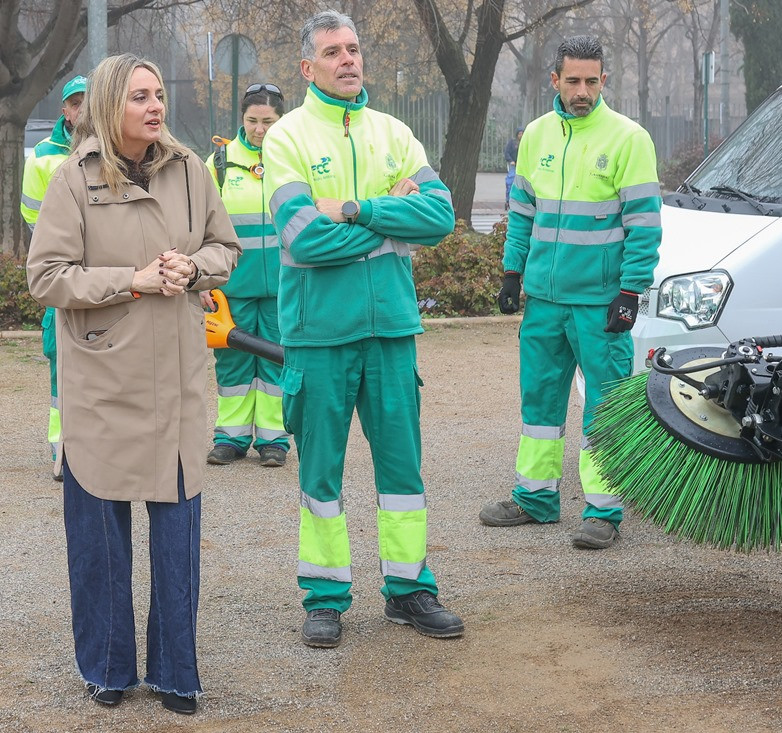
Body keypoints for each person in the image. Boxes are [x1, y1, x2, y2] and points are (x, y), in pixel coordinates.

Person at [25, 54, 240, 715]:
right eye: (139, 96)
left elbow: (224, 248)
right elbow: (47, 277)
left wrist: (193, 267)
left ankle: (177, 672)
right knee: (99, 538)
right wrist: (132, 278)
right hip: (102, 385)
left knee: (177, 533)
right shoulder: (72, 179)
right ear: (111, 105)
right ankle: (108, 668)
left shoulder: (190, 170)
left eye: (158, 94)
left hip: (175, 382)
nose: (155, 106)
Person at [262, 9, 464, 648]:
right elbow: (304, 237)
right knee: (320, 472)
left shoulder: (394, 131)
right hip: (318, 334)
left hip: (391, 331)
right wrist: (392, 218)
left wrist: (354, 208)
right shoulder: (286, 137)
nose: (348, 60)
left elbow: (440, 217)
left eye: (353, 49)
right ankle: (324, 597)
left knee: (402, 469)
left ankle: (409, 590)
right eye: (332, 52)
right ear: (307, 67)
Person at [478, 35, 662, 549]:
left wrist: (631, 290)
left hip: (601, 302)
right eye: (573, 80)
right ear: (554, 80)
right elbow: (521, 214)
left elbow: (644, 225)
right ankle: (535, 498)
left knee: (604, 404)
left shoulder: (629, 138)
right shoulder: (535, 136)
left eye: (592, 80)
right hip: (544, 299)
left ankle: (604, 510)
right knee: (539, 398)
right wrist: (512, 273)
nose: (583, 90)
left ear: (605, 80)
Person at [203, 83, 290, 468]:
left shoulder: (293, 158)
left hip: (285, 285)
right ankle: (231, 437)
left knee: (277, 360)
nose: (260, 129)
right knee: (233, 362)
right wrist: (202, 280)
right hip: (232, 287)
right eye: (253, 120)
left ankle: (274, 440)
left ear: (281, 119)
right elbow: (198, 224)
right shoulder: (218, 162)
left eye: (268, 121)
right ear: (242, 118)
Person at [21, 74, 86, 481]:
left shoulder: (113, 146)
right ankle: (62, 450)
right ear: (64, 109)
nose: (81, 110)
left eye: (87, 102)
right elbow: (31, 214)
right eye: (74, 102)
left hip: (97, 271)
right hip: (62, 271)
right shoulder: (43, 155)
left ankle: (94, 449)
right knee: (61, 363)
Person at [503, 126, 522, 209]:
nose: (521, 135)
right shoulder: (512, 142)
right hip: (513, 165)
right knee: (510, 182)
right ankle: (508, 200)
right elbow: (507, 152)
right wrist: (511, 160)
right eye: (520, 134)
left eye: (522, 133)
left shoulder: (525, 142)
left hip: (522, 165)